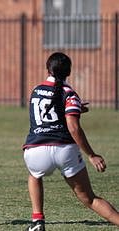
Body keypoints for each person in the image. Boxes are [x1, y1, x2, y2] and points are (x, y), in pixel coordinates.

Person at [23, 52, 119, 231]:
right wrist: (91, 155)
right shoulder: (70, 94)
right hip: (64, 149)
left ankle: (37, 221)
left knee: (34, 175)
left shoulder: (36, 90)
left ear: (48, 69)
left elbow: (48, 113)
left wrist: (73, 109)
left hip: (36, 150)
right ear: (69, 72)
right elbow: (73, 128)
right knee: (89, 199)